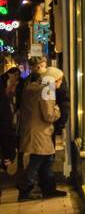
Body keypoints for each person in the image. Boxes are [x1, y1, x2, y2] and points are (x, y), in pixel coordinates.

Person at [17, 58, 65, 201]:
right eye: (59, 81)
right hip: (41, 132)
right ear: (53, 80)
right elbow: (49, 115)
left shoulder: (32, 86)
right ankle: (25, 187)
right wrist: (58, 110)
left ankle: (47, 188)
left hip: (32, 129)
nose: (60, 84)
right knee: (37, 160)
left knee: (46, 160)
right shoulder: (47, 90)